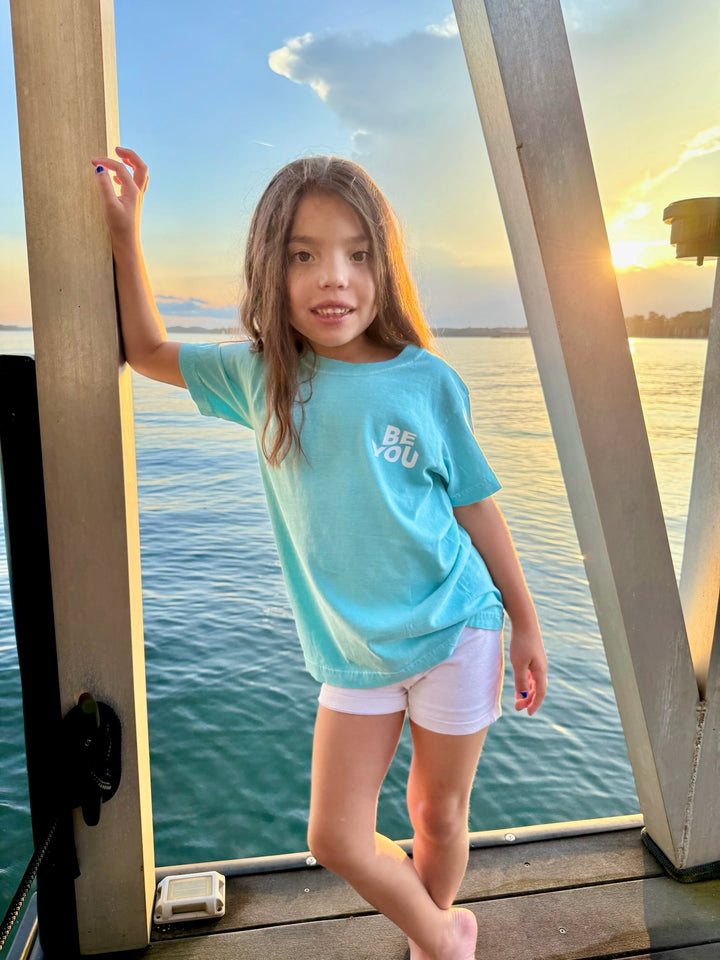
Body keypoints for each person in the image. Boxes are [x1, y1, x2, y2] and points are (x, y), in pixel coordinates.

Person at [92, 146, 547, 960]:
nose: (333, 277)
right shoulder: (261, 376)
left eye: (356, 254)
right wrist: (127, 235)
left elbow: (476, 507)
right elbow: (147, 351)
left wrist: (526, 621)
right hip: (351, 651)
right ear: (274, 267)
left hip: (457, 627)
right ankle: (447, 934)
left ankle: (429, 941)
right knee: (335, 834)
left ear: (384, 266)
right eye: (304, 255)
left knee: (436, 813)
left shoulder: (427, 381)